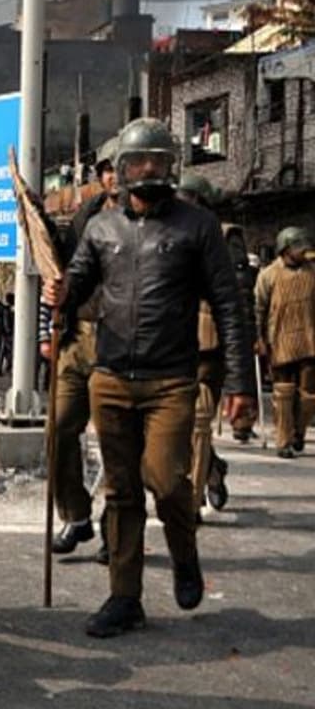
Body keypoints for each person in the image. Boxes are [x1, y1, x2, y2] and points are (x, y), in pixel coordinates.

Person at [43, 118, 254, 639]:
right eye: (138, 162)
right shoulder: (101, 228)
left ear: (172, 165)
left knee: (164, 479)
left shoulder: (197, 226)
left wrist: (239, 385)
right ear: (121, 169)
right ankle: (124, 597)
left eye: (158, 161)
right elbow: (79, 282)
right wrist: (60, 291)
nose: (148, 170)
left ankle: (184, 552)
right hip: (110, 378)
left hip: (170, 381)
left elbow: (229, 306)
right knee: (120, 492)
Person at [43, 148, 120, 561]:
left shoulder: (153, 217)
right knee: (58, 428)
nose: (113, 176)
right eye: (106, 169)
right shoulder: (86, 216)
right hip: (79, 335)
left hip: (123, 340)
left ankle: (116, 527)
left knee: (116, 440)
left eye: (120, 167)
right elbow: (60, 271)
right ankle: (75, 514)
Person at [177, 174, 253, 510]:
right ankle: (212, 468)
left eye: (188, 200)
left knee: (196, 422)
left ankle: (190, 504)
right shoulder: (167, 231)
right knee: (171, 426)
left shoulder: (226, 237)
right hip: (168, 342)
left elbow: (239, 301)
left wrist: (240, 371)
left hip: (209, 346)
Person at [255, 226, 315, 458]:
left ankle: (298, 431)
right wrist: (259, 338)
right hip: (279, 341)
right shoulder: (268, 275)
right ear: (286, 249)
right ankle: (283, 441)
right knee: (283, 395)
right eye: (298, 247)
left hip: (309, 340)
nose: (303, 252)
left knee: (308, 395)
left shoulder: (312, 272)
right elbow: (259, 309)